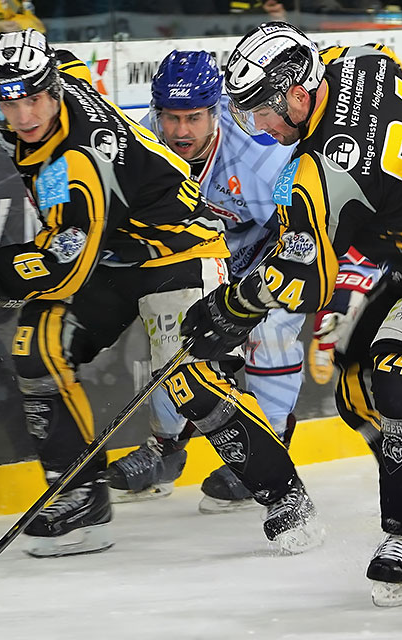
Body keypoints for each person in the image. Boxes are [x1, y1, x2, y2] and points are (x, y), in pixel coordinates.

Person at [0, 28, 324, 557]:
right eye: (11, 102)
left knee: (191, 381)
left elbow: (58, 265)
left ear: (51, 93)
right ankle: (81, 501)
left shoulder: (76, 166)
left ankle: (283, 494)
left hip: (180, 252)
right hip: (117, 256)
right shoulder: (62, 82)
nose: (25, 116)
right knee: (38, 350)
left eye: (33, 100)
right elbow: (67, 57)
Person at [181, 21, 402, 606]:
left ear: (297, 96)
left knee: (401, 379)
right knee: (357, 390)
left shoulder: (322, 171)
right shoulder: (350, 62)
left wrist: (231, 306)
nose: (258, 127)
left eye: (263, 112)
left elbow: (299, 279)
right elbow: (383, 62)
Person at [103, 50, 306, 513]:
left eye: (193, 117)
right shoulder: (138, 143)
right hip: (199, 254)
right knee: (173, 330)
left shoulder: (260, 159)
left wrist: (256, 292)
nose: (179, 132)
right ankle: (165, 449)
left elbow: (303, 231)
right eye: (170, 118)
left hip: (271, 251)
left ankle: (268, 450)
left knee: (271, 332)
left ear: (217, 111)